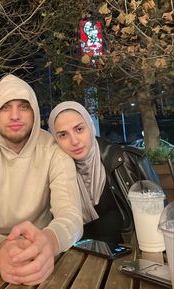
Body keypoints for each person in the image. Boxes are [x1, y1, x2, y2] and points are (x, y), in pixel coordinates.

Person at [0, 76, 83, 285]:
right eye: (5, 107)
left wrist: (49, 242)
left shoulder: (53, 151)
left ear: (35, 112)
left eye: (23, 106)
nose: (15, 116)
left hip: (42, 256)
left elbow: (72, 216)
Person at [48, 101, 160, 244]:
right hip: (81, 262)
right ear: (56, 140)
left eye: (79, 129)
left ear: (91, 127)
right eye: (63, 135)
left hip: (133, 260)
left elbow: (161, 222)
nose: (74, 141)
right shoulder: (55, 175)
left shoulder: (128, 161)